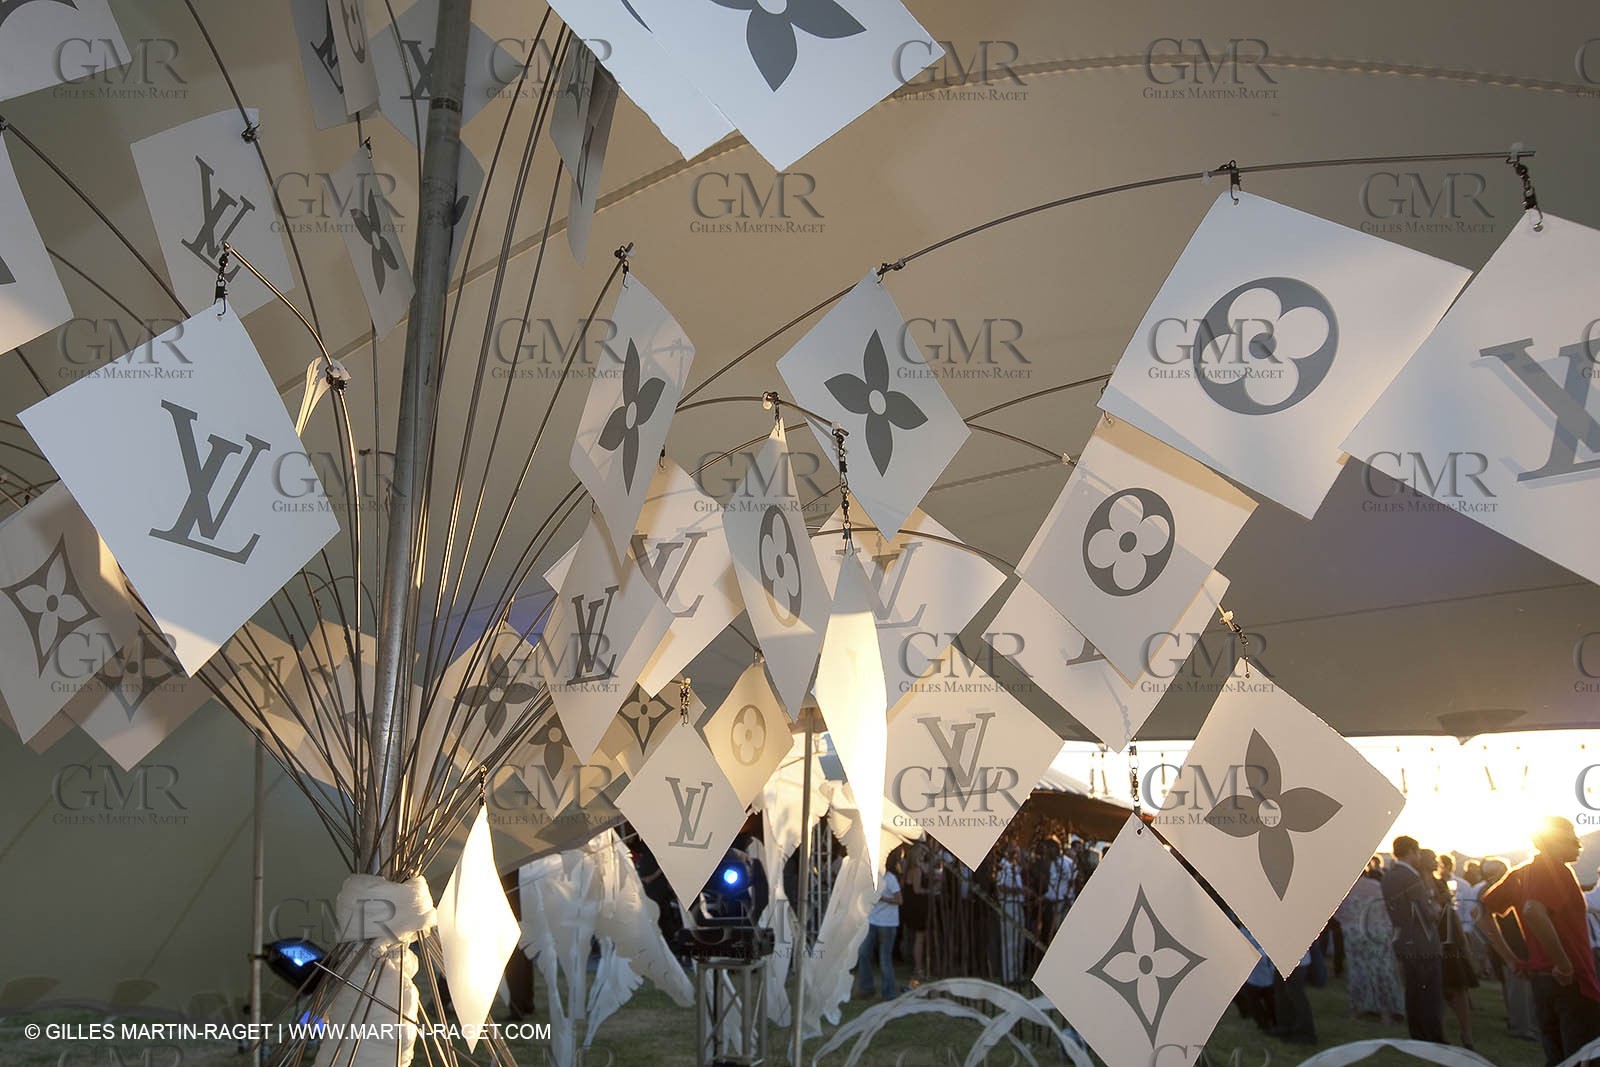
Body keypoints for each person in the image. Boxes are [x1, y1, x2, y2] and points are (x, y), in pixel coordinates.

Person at [1480, 817, 1600, 1065]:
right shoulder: (1556, 871)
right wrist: (1564, 964)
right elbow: (1532, 910)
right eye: (1572, 836)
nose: (1579, 844)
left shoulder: (1521, 873)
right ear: (1555, 840)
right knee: (1581, 1058)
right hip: (1570, 981)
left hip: (1542, 982)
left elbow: (1479, 914)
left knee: (1557, 1056)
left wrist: (1511, 960)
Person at [1383, 836, 1445, 1042]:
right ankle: (1432, 1035)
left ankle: (1417, 1033)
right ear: (1411, 851)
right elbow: (1424, 913)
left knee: (1413, 991)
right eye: (1418, 853)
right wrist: (1436, 909)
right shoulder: (1411, 877)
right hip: (1422, 943)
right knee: (1430, 994)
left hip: (1403, 939)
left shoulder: (1389, 876)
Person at [1476, 856, 1541, 1042]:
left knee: (1520, 988)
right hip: (1511, 946)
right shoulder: (1492, 891)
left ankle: (1526, 1024)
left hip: (1512, 944)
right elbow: (1480, 918)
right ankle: (1521, 1026)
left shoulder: (1494, 889)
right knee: (1518, 988)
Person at [1335, 858, 1403, 1024]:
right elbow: (1386, 911)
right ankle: (1384, 1013)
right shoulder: (1375, 886)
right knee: (1380, 971)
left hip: (1354, 935)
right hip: (1376, 934)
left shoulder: (1343, 890)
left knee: (1357, 971)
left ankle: (1355, 1010)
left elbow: (1338, 914)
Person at [1431, 851, 1479, 1050]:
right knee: (1440, 988)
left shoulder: (1442, 883)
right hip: (1434, 939)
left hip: (1451, 940)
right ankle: (1440, 1032)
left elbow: (1453, 913)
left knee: (1459, 987)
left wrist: (1464, 943)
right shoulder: (1419, 884)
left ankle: (1466, 1035)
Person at [855, 858, 902, 999]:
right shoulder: (870, 878)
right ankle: (866, 987)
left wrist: (882, 899)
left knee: (884, 958)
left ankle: (889, 992)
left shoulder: (890, 878)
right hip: (872, 920)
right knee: (863, 953)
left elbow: (899, 900)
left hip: (887, 924)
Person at [996, 842, 1026, 985]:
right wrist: (1016, 891)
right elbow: (1000, 887)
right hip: (1008, 906)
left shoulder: (1016, 869)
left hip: (1018, 904)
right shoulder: (1003, 868)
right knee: (1010, 941)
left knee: (1019, 941)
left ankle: (1017, 974)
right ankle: (1008, 975)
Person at [901, 843, 930, 987]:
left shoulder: (911, 869)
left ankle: (917, 967)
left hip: (914, 906)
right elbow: (917, 890)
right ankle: (918, 968)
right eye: (923, 852)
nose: (925, 855)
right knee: (919, 938)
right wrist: (931, 891)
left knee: (917, 938)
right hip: (917, 906)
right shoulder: (916, 870)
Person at [1040, 836, 1075, 939]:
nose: (1044, 852)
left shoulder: (1066, 863)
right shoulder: (1053, 864)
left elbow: (1071, 882)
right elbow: (1054, 886)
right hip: (1055, 905)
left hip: (1063, 904)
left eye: (1046, 849)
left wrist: (1067, 897)